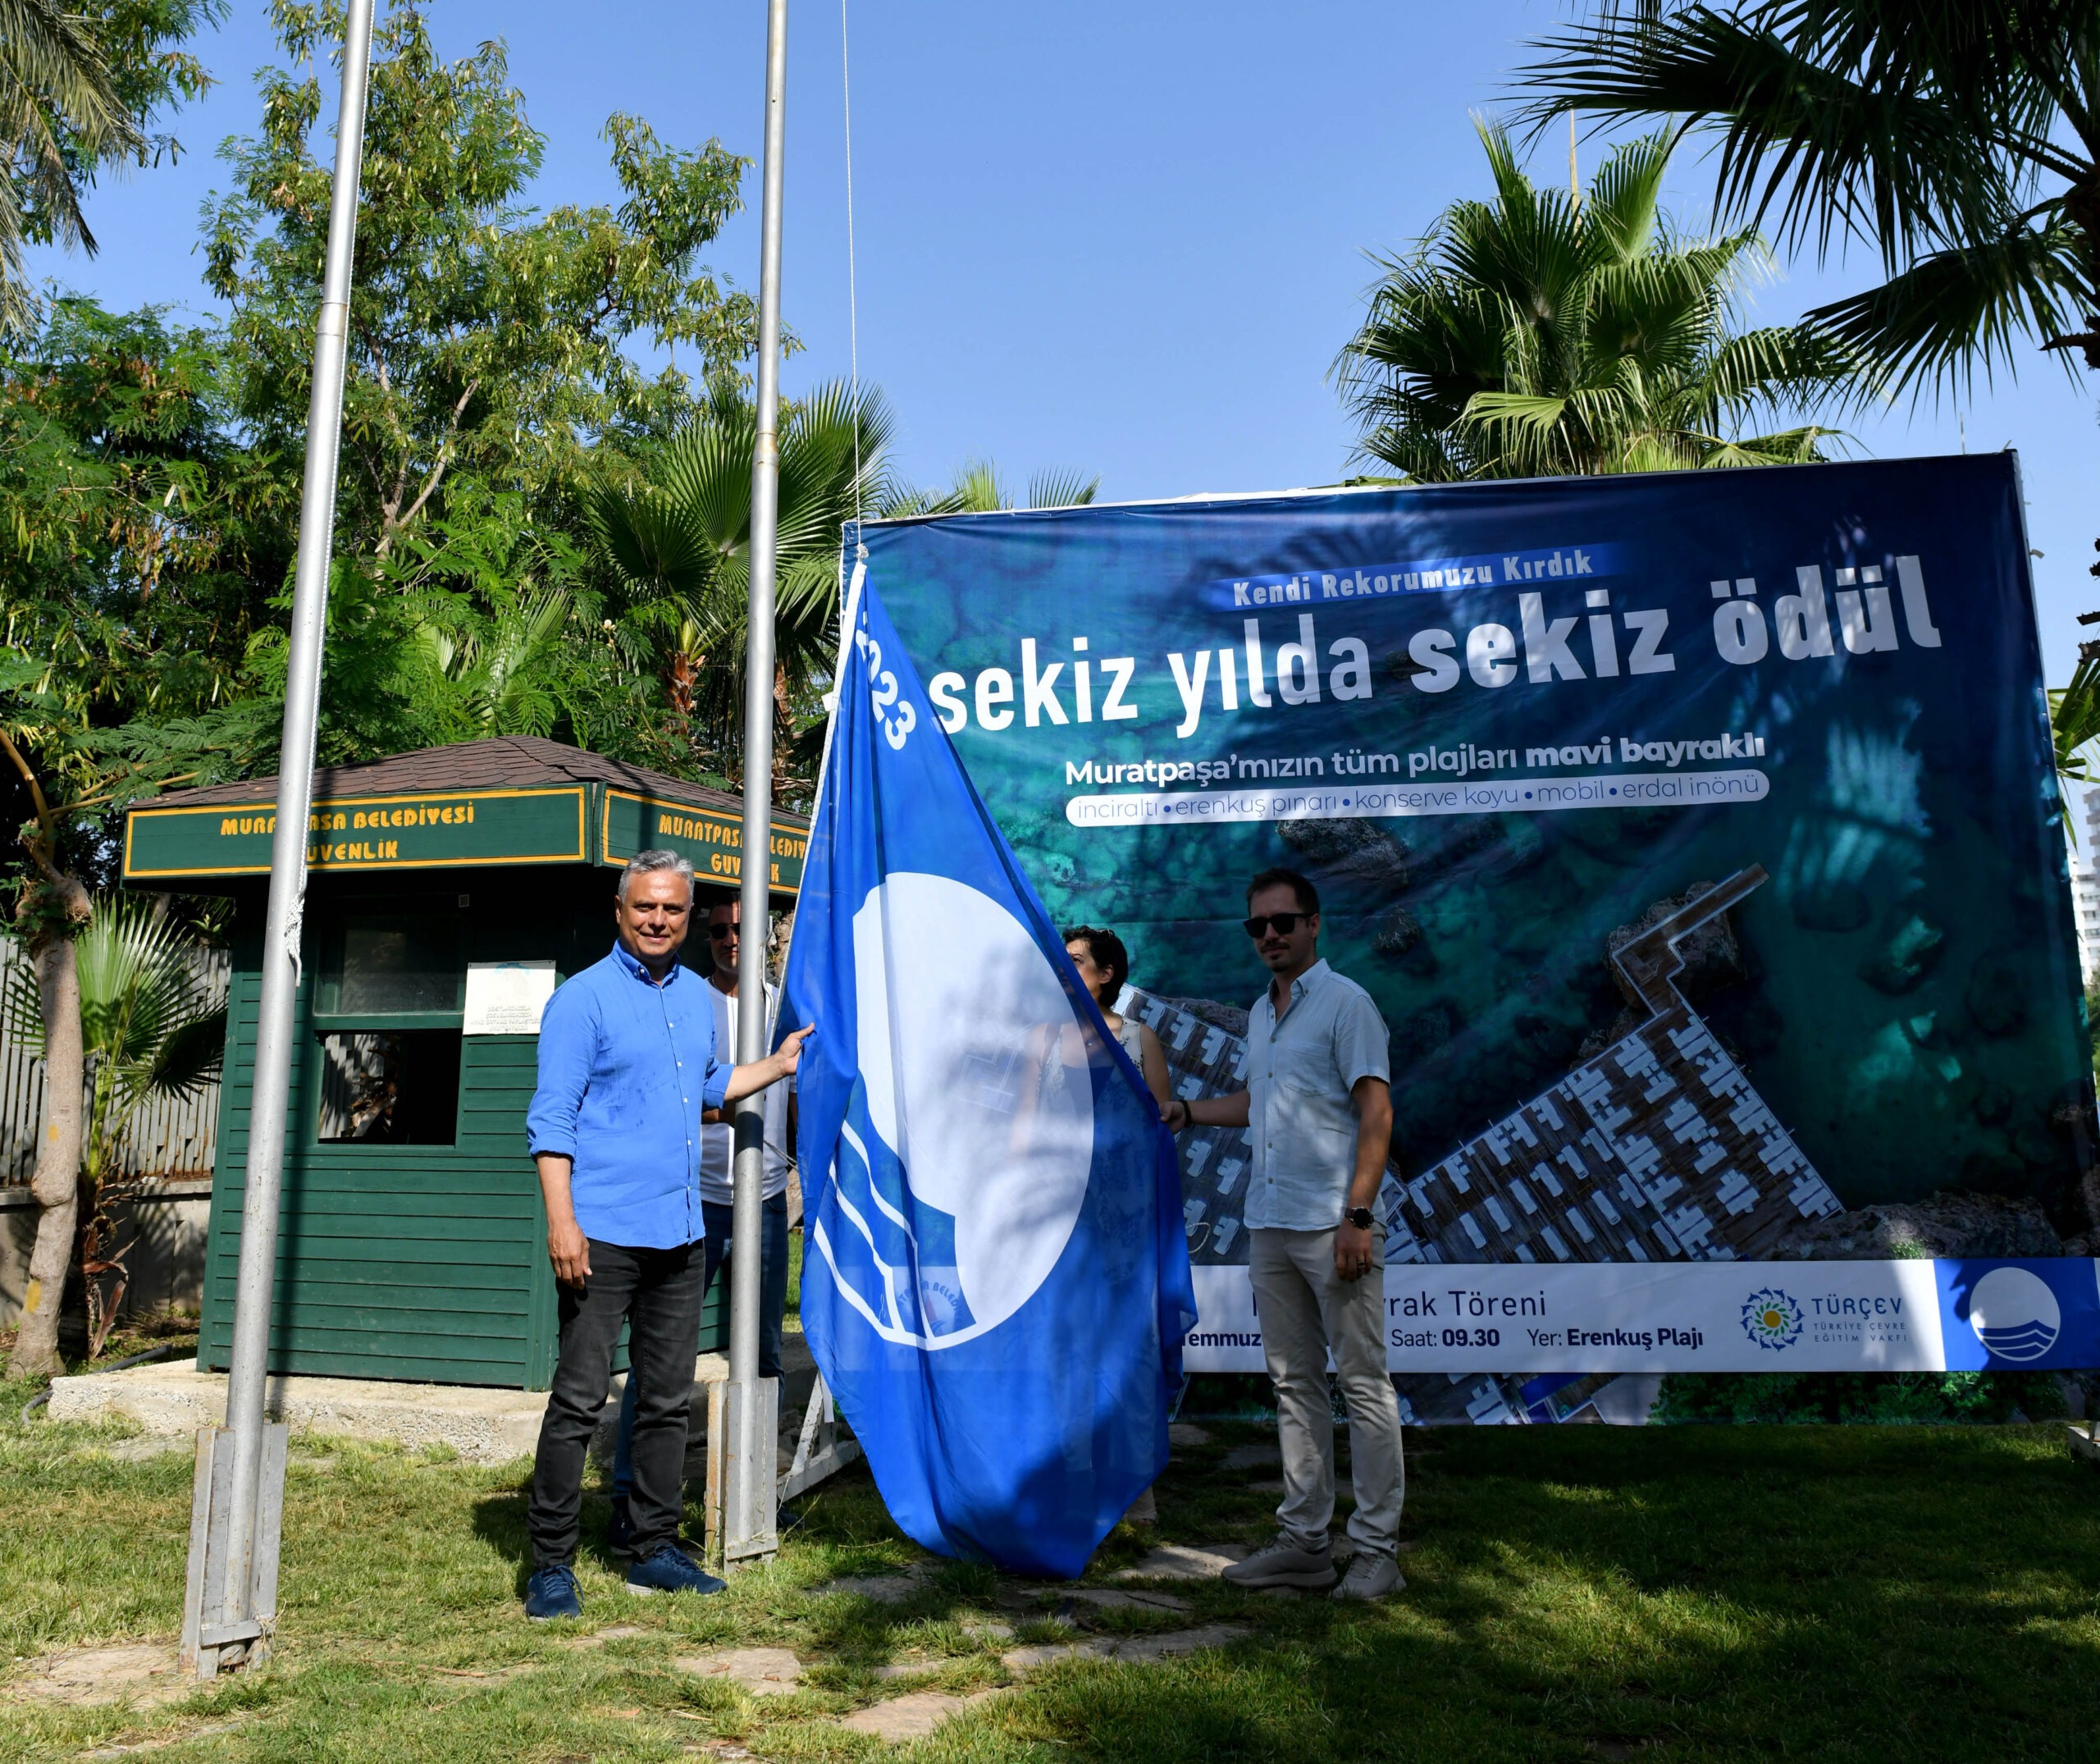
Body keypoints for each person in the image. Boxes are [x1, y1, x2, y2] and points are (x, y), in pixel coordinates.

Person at [522, 850, 811, 1620]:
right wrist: (563, 1222)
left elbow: (711, 1087)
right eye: (645, 907)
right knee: (581, 1400)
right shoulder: (581, 1000)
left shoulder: (692, 999)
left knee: (664, 1400)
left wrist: (776, 1065)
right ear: (620, 911)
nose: (659, 921)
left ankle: (649, 1547)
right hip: (603, 1234)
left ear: (687, 918)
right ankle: (550, 1564)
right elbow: (550, 1121)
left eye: (673, 910)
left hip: (680, 1232)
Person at [1162, 866, 1404, 1601]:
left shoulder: (1347, 1003)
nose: (1270, 935)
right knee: (1294, 1386)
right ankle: (1304, 1544)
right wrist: (1189, 1113)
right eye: (1257, 926)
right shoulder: (1262, 1012)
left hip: (1333, 1225)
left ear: (1314, 924)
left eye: (1283, 922)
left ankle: (1376, 1552)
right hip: (1268, 1224)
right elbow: (1261, 1104)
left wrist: (1358, 1217)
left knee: (1362, 1386)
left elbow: (1378, 1113)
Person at [606, 894, 796, 1551]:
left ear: (769, 937)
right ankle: (628, 1492)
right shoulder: (687, 1002)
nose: (729, 939)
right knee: (664, 1356)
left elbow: (793, 1099)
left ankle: (757, 1487)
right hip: (694, 1202)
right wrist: (724, 1108)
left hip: (765, 1198)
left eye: (742, 928)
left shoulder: (781, 1007)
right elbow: (667, 1103)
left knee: (764, 1351)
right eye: (717, 930)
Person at [1062, 925, 1172, 1108]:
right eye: (1061, 959)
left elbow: (1163, 1122)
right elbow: (1023, 1120)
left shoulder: (1141, 1039)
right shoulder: (1044, 1037)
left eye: (1075, 961)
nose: (1061, 968)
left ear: (1105, 974)